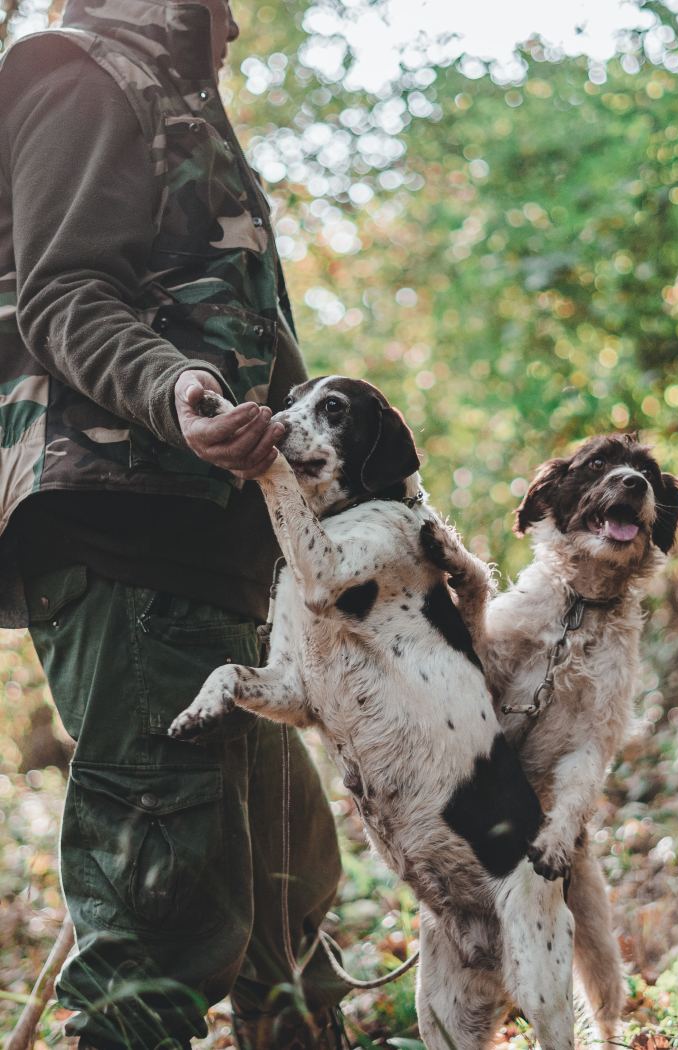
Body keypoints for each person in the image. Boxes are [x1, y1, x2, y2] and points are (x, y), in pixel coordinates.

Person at [0, 1, 347, 1047]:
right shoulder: (76, 75)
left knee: (289, 909)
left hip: (217, 569)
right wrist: (177, 386)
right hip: (132, 543)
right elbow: (62, 291)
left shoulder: (174, 101)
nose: (236, 23)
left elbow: (253, 343)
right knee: (166, 934)